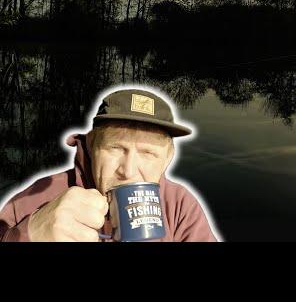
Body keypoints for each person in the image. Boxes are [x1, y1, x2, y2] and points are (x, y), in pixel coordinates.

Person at [0, 88, 220, 241]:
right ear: (91, 145)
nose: (128, 170)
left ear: (167, 158)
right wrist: (28, 235)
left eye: (148, 153)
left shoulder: (180, 205)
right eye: (115, 148)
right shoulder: (39, 196)